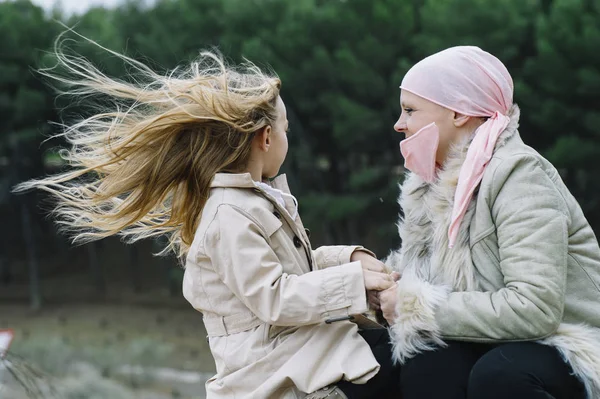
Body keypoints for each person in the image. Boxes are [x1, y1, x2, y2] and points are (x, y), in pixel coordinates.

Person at [15, 37, 400, 399]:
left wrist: (349, 260)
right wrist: (353, 284)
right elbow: (275, 297)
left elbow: (289, 271)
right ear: (265, 138)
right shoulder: (229, 215)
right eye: (286, 129)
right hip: (277, 375)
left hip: (302, 352)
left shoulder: (250, 202)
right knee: (415, 367)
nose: (287, 137)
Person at [378, 45, 600, 399]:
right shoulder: (430, 183)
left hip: (569, 340)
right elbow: (436, 285)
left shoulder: (520, 173)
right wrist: (384, 286)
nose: (399, 123)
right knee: (426, 362)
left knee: (500, 375)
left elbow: (536, 309)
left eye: (410, 110)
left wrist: (414, 304)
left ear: (458, 113)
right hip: (499, 336)